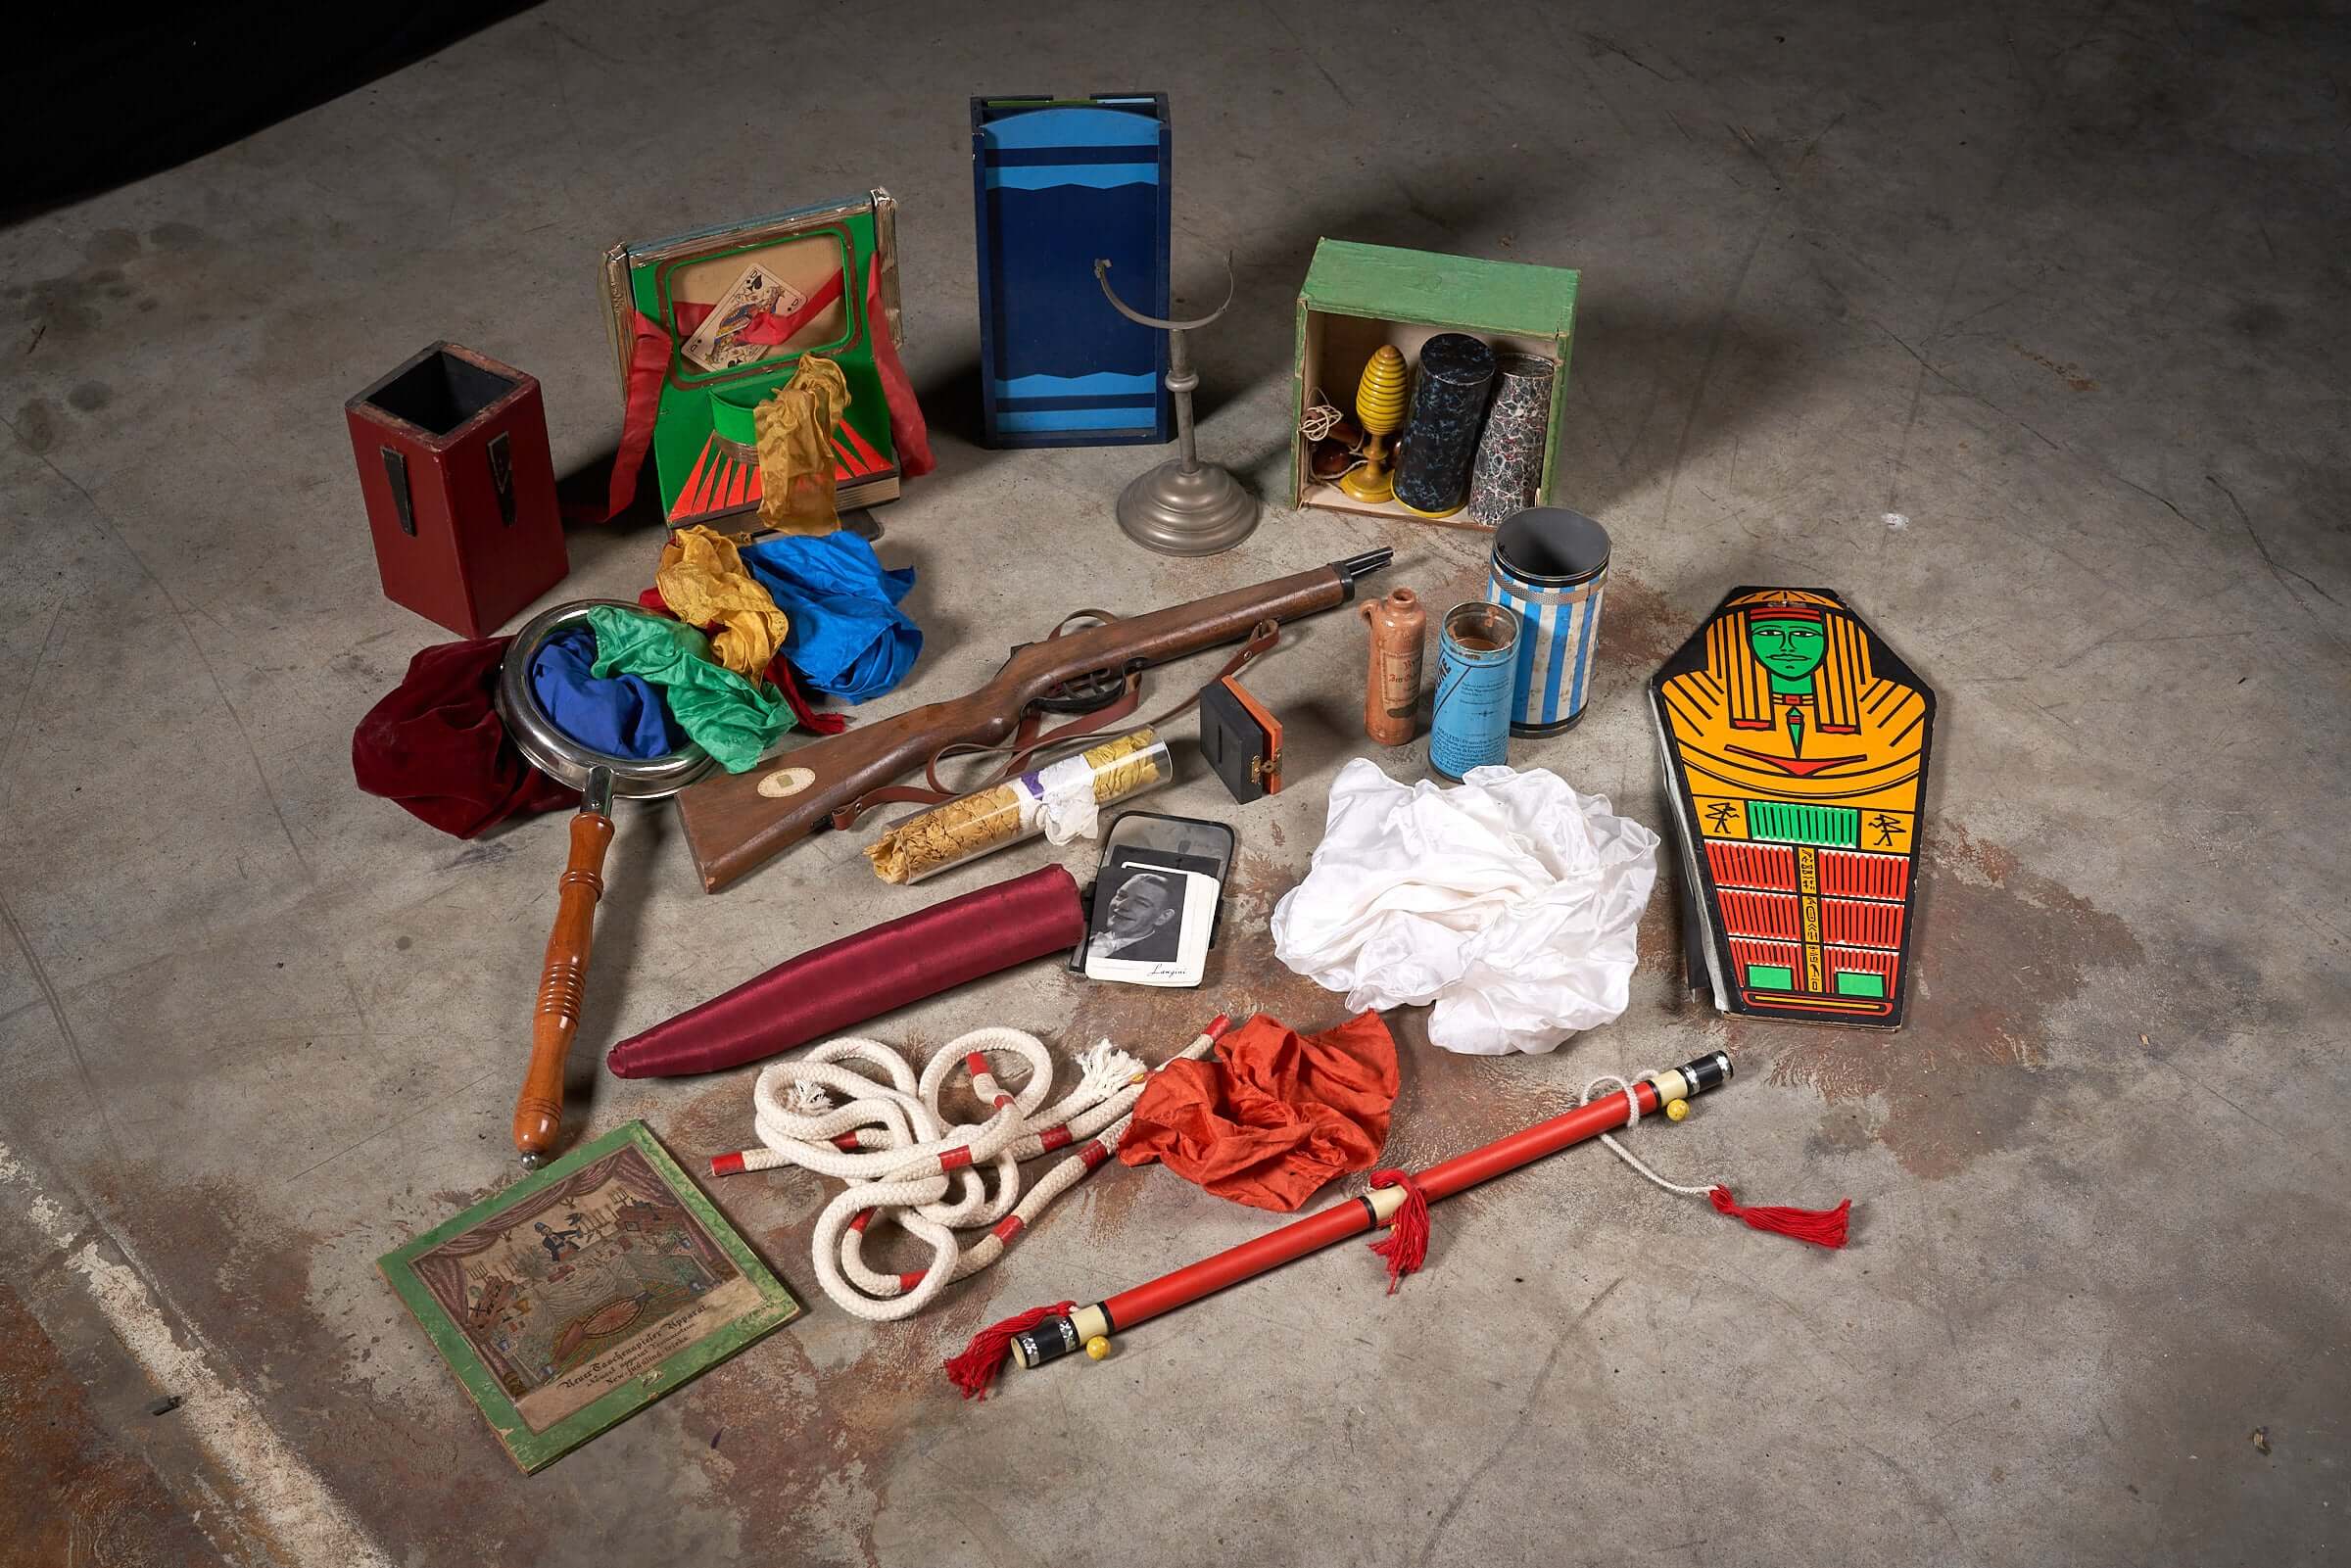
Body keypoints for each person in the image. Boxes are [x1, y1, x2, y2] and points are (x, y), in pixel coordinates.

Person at [1086, 870, 1183, 964]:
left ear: (1163, 917)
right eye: (1121, 895)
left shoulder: (1161, 959)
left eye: (1141, 903)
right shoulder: (1085, 935)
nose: (1121, 905)